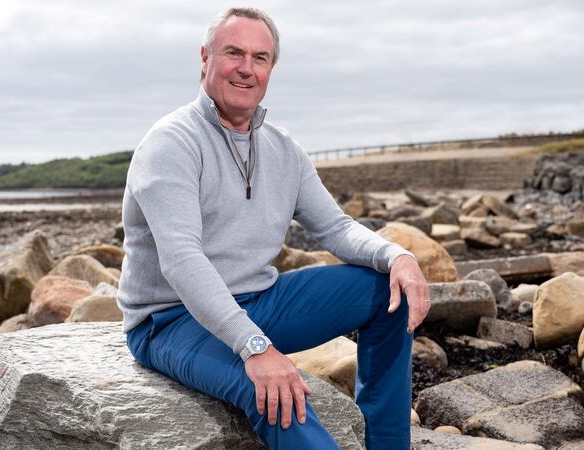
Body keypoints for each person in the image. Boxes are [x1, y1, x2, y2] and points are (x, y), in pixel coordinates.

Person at [117, 7, 430, 449]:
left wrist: (398, 256)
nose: (246, 68)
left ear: (270, 69)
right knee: (273, 390)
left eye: (260, 58)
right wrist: (256, 348)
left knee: (391, 291)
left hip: (260, 301)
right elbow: (182, 259)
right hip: (171, 321)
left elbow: (336, 227)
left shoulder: (283, 148)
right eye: (234, 53)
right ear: (205, 57)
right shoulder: (172, 142)